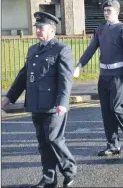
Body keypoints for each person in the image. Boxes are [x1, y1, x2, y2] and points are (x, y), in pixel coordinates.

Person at [1, 11, 77, 188]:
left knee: (54, 139)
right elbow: (23, 76)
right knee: (43, 142)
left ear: (51, 29)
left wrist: (63, 103)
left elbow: (66, 78)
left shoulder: (61, 49)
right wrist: (9, 97)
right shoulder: (33, 49)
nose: (37, 31)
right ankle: (49, 178)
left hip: (53, 104)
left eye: (40, 28)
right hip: (36, 103)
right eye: (36, 28)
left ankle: (70, 169)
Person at [73, 0, 123, 156]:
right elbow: (91, 49)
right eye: (104, 10)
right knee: (106, 111)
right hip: (104, 75)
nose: (105, 13)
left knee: (116, 107)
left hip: (118, 74)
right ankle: (113, 145)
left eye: (109, 11)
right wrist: (79, 65)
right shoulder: (100, 29)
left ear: (117, 12)